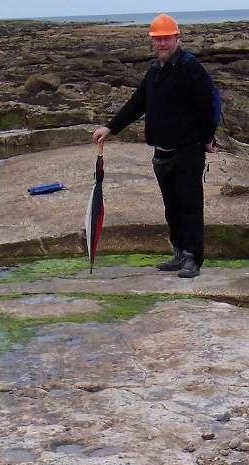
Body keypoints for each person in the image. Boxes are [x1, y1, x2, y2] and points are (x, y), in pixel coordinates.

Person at [92, 13, 216, 278]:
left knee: (190, 206)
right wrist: (110, 128)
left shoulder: (191, 68)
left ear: (177, 38)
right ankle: (179, 253)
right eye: (158, 39)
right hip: (162, 151)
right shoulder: (154, 71)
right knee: (172, 207)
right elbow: (137, 103)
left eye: (166, 38)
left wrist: (207, 138)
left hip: (188, 149)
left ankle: (193, 258)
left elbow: (207, 106)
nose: (162, 43)